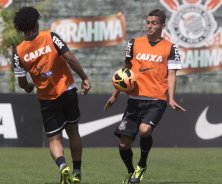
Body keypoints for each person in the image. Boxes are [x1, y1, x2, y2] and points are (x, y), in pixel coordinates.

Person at [104, 9, 186, 184]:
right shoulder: (133, 44)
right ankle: (131, 171)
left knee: (144, 130)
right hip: (134, 100)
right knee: (123, 144)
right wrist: (115, 95)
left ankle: (142, 164)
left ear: (162, 25)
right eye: (148, 22)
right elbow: (125, 71)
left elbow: (172, 75)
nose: (150, 25)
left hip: (156, 100)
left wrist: (171, 98)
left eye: (154, 23)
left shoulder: (170, 48)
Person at [13, 6, 91, 184]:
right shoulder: (51, 37)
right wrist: (84, 78)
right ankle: (77, 171)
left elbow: (22, 83)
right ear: (36, 22)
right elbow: (70, 58)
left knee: (54, 139)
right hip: (68, 90)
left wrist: (28, 87)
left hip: (47, 98)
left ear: (21, 28)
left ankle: (63, 166)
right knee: (73, 132)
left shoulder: (18, 52)